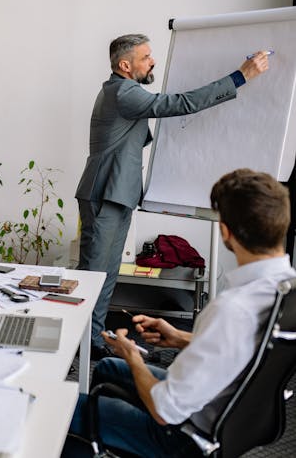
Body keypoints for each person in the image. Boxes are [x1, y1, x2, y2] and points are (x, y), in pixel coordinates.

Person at [66, 168, 295, 457]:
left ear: (225, 231)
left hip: (181, 436)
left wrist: (133, 355)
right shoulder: (286, 288)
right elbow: (253, 350)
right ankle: (107, 443)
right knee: (109, 369)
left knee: (61, 408)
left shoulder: (232, 308)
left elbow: (164, 410)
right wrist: (181, 338)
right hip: (226, 411)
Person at [74, 33, 271, 358]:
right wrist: (241, 76)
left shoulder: (122, 90)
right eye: (146, 57)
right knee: (94, 275)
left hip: (117, 194)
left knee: (106, 276)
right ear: (125, 65)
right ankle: (78, 346)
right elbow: (182, 103)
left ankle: (92, 343)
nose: (153, 61)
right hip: (104, 193)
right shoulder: (124, 92)